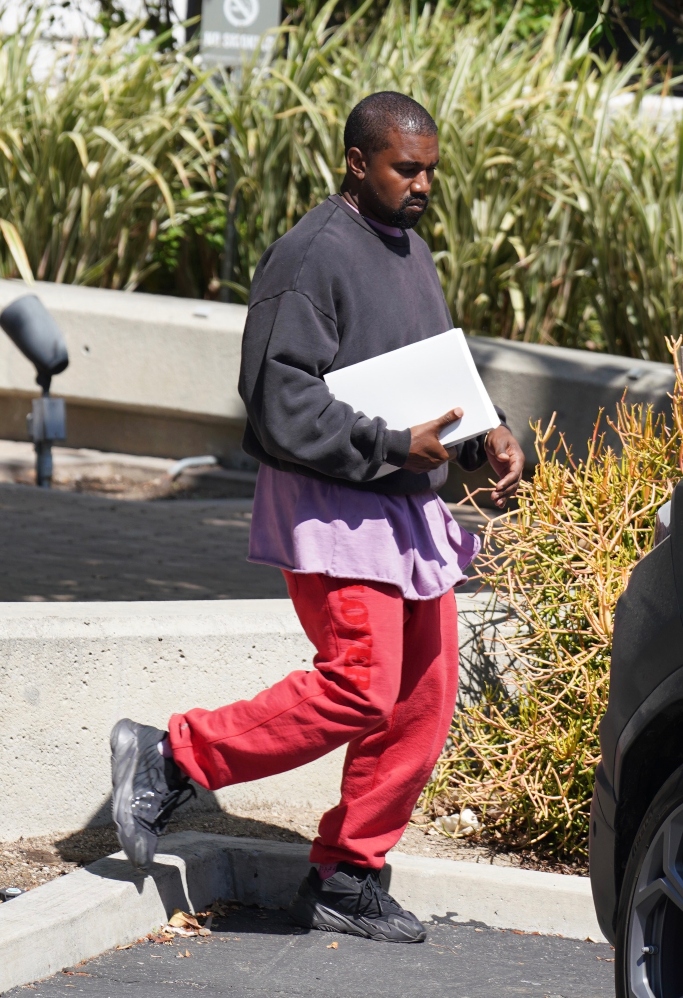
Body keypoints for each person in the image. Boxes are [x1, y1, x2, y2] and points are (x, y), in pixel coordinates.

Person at [109, 92, 525, 945]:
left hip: (401, 497)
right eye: (405, 168)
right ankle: (174, 757)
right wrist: (383, 440)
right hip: (336, 500)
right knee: (360, 684)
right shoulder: (309, 255)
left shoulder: (409, 248)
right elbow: (275, 400)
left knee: (423, 696)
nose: (421, 186)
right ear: (355, 162)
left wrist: (484, 436)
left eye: (430, 171)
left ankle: (348, 874)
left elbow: (431, 367)